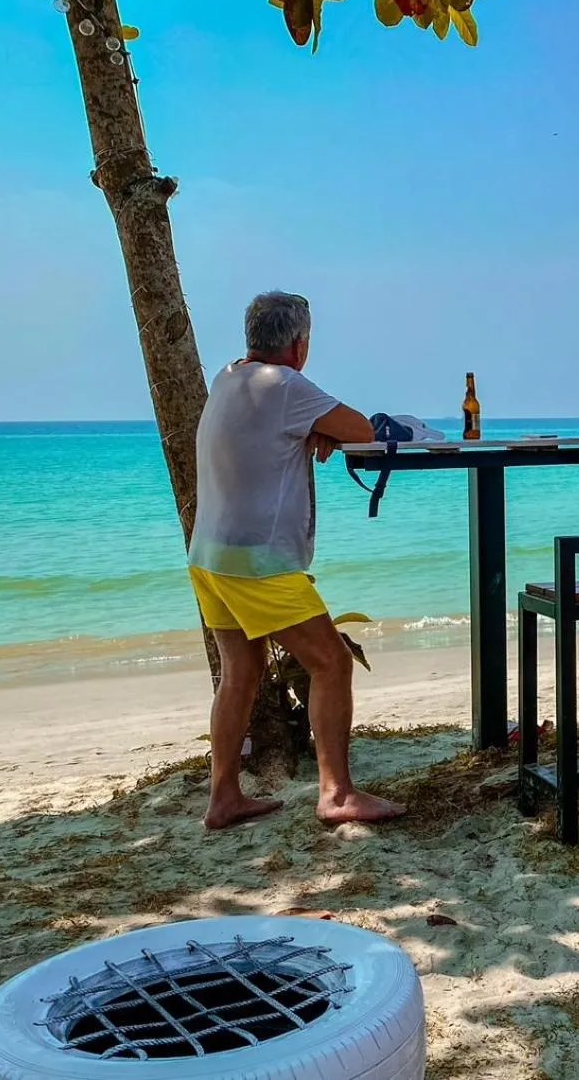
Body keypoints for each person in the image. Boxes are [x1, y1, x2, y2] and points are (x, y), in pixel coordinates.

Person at [188, 292, 404, 830]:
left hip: (209, 552)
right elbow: (364, 429)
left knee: (240, 670)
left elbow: (266, 435)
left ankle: (223, 796)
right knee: (330, 662)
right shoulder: (287, 386)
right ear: (299, 344)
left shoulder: (229, 377)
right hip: (256, 561)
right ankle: (337, 794)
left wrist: (309, 429)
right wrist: (318, 426)